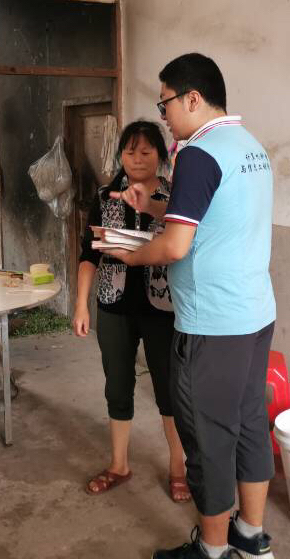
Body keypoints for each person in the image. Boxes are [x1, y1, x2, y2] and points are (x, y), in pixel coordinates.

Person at [101, 53, 277, 559]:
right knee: (249, 424)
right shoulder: (250, 146)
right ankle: (251, 536)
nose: (164, 116)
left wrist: (131, 253)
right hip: (255, 314)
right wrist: (152, 205)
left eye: (165, 104)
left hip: (212, 324)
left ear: (193, 98)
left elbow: (176, 246)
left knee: (207, 438)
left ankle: (213, 550)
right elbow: (207, 216)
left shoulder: (198, 153)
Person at [73, 120, 191, 504]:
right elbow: (89, 255)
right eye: (129, 151)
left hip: (164, 308)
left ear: (159, 155)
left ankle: (178, 468)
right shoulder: (106, 196)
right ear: (120, 155)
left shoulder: (175, 197)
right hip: (114, 304)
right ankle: (119, 465)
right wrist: (81, 305)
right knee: (118, 385)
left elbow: (186, 249)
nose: (137, 159)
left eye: (145, 151)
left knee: (169, 389)